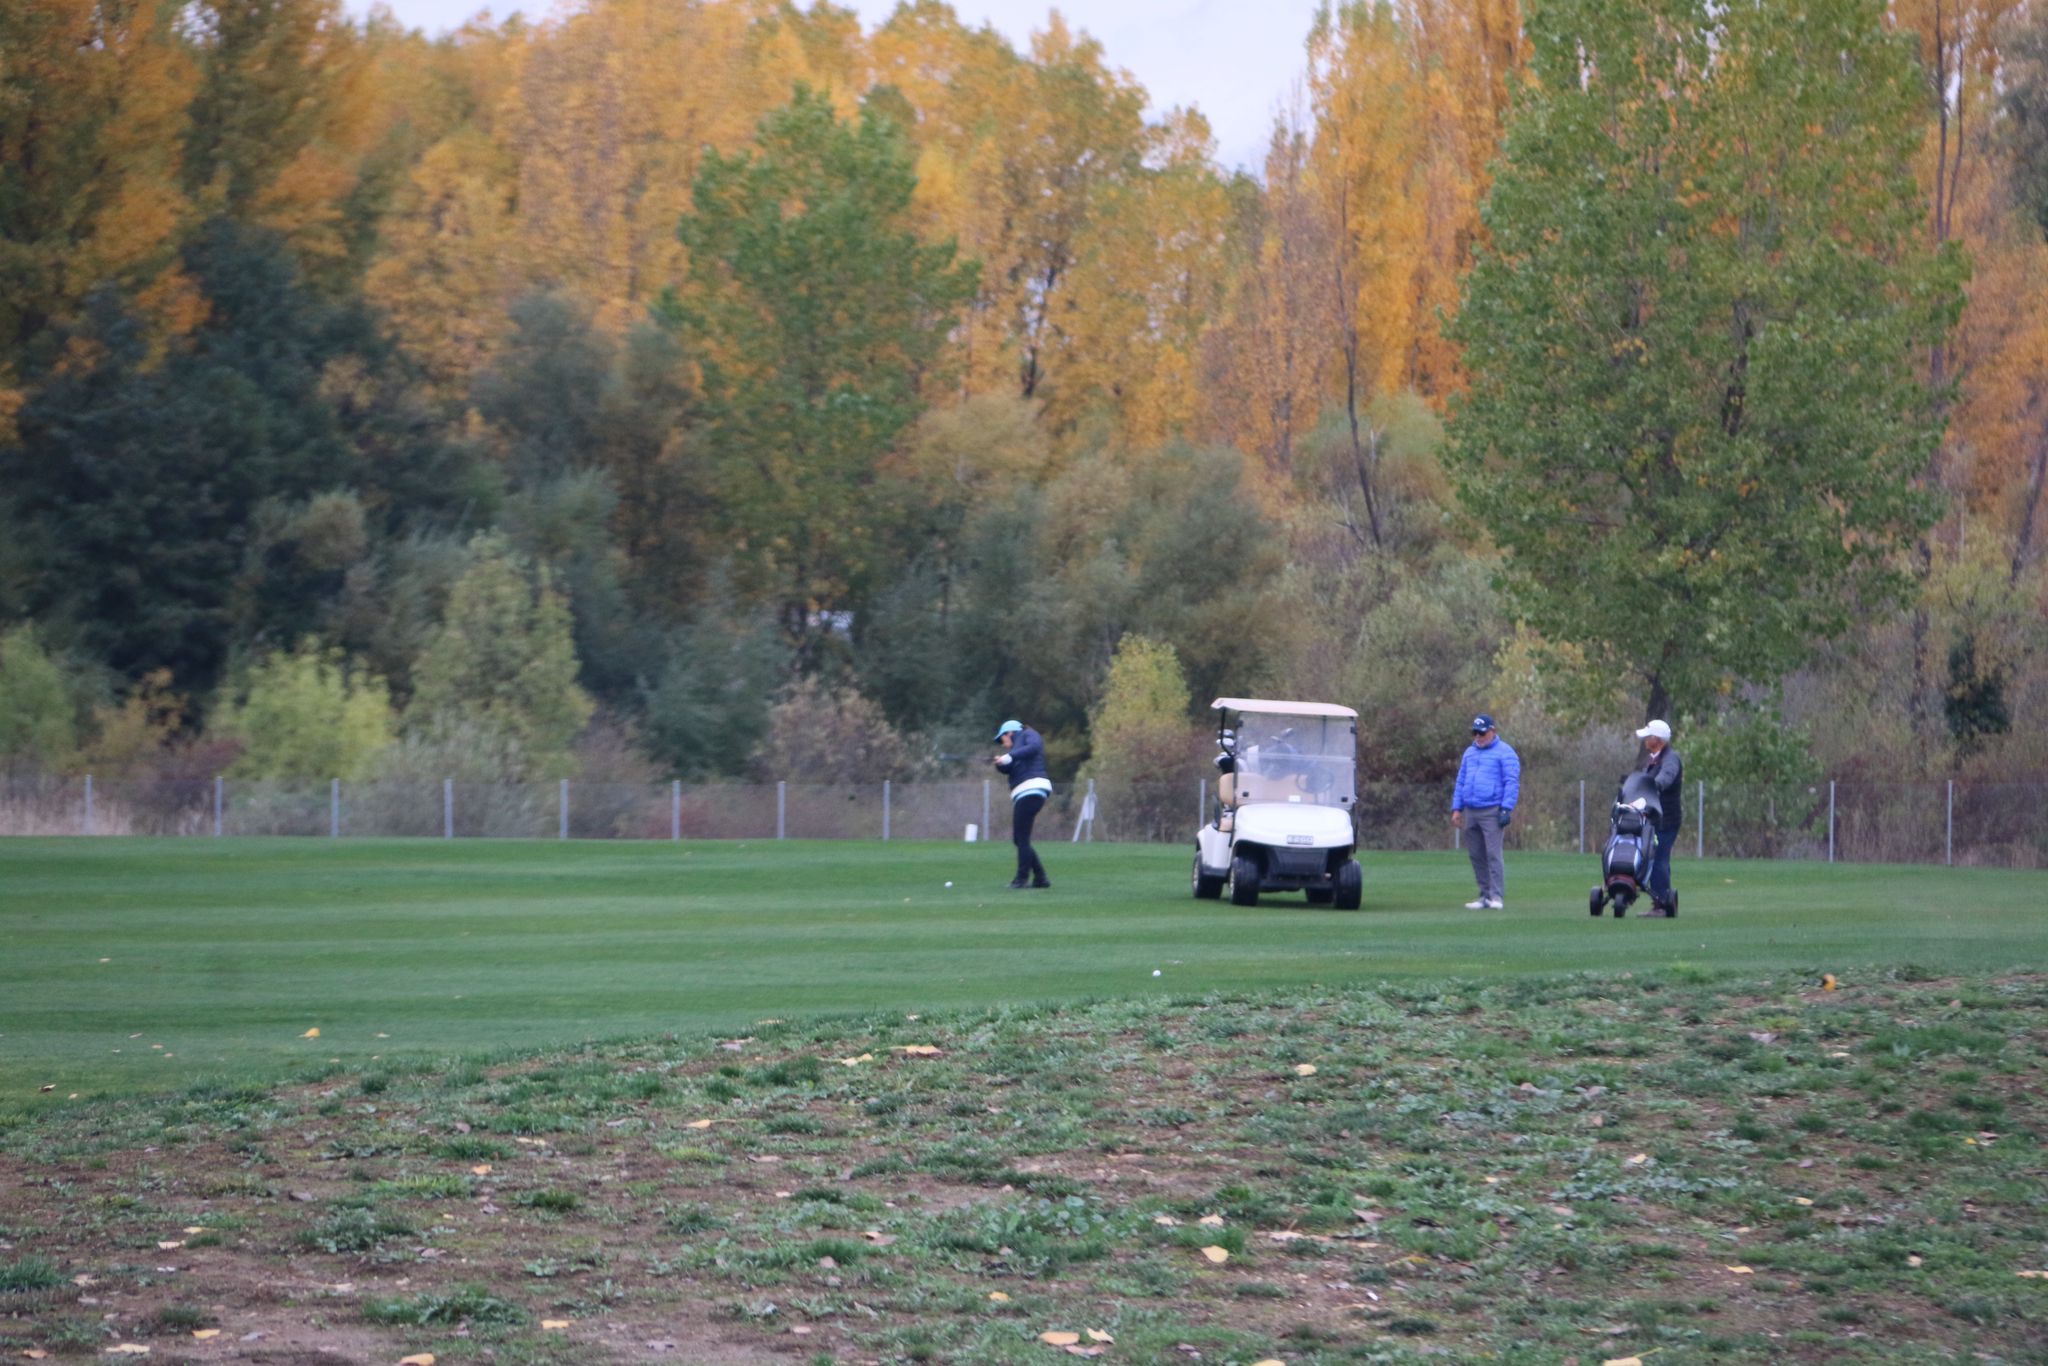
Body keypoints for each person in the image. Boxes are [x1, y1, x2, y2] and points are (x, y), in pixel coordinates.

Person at [1449, 714, 1520, 909]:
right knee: (1476, 855)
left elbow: (1511, 782)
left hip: (1492, 809)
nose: (1478, 737)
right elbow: (1461, 781)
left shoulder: (1505, 752)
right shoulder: (1469, 753)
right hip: (1471, 809)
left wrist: (1506, 808)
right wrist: (1457, 808)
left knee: (1493, 854)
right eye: (1475, 733)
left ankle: (1496, 897)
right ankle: (1484, 895)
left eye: (1481, 733)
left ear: (1492, 731)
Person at [992, 719, 1052, 890]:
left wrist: (1009, 757)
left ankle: (1021, 879)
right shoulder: (1015, 751)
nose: (1002, 743)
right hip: (1027, 792)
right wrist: (1000, 764)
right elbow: (1008, 769)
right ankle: (1040, 878)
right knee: (1019, 839)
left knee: (1021, 838)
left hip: (1031, 789)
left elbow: (1034, 747)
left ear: (1010, 732)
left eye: (1002, 738)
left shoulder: (1028, 734)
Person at [1635, 719, 1683, 916]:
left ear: (1657, 739)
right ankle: (1662, 901)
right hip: (1655, 818)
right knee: (1655, 858)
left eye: (1648, 736)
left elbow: (1666, 778)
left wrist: (1653, 786)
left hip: (1666, 820)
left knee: (1659, 859)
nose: (1645, 740)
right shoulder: (1654, 759)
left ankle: (1662, 904)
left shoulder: (1670, 759)